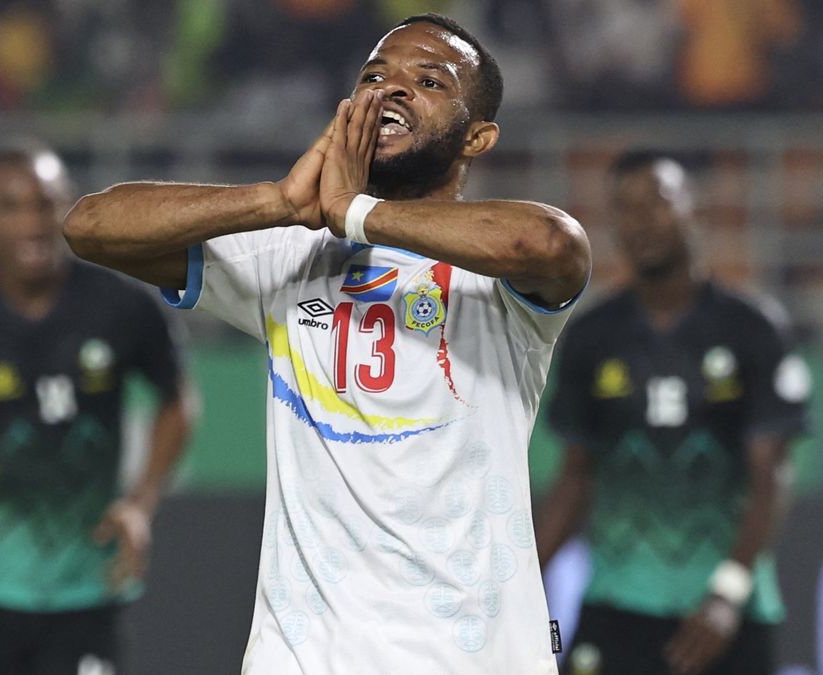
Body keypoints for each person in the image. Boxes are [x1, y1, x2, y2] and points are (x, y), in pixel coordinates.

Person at [64, 12, 591, 675]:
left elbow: (550, 243)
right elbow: (90, 224)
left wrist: (356, 211)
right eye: (376, 74)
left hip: (469, 656)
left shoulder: (496, 280)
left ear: (478, 137)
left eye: (428, 79)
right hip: (305, 657)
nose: (392, 88)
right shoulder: (288, 254)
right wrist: (278, 203)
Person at [0, 145, 193, 675]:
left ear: (67, 209)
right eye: (11, 207)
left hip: (88, 585)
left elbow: (177, 400)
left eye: (45, 205)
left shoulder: (119, 306)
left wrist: (142, 503)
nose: (31, 223)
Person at [534, 150, 811, 675]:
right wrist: (523, 582)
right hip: (617, 605)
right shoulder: (593, 338)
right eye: (625, 208)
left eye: (656, 202)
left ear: (694, 210)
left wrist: (728, 593)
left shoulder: (753, 328)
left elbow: (771, 473)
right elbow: (575, 479)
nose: (640, 221)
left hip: (729, 612)